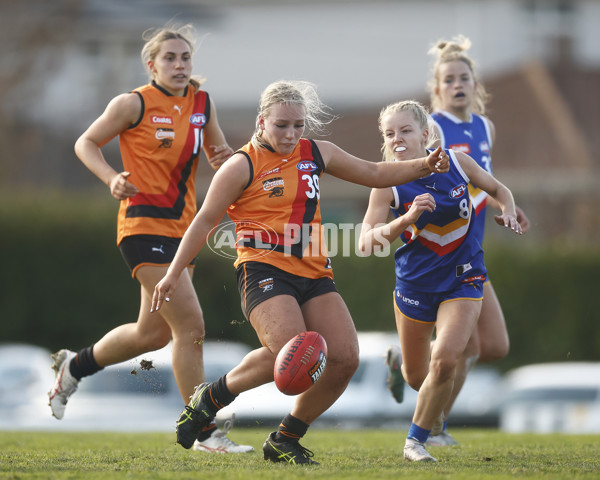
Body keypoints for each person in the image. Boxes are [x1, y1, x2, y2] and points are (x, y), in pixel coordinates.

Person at [151, 80, 449, 465]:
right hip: (263, 269)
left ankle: (285, 439)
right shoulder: (241, 165)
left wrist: (425, 164)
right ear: (262, 122)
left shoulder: (317, 153)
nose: (291, 134)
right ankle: (209, 399)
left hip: (314, 271)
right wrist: (174, 273)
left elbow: (374, 171)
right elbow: (204, 220)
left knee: (344, 358)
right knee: (291, 352)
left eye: (298, 125)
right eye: (281, 125)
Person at [48, 24, 253, 453]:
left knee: (151, 335)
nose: (179, 65)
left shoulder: (202, 103)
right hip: (142, 226)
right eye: (170, 59)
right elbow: (85, 142)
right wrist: (110, 178)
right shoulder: (132, 104)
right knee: (191, 326)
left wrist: (232, 164)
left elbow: (220, 157)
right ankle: (203, 430)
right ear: (152, 65)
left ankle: (75, 366)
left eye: (185, 58)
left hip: (183, 231)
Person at [359, 100, 523, 462]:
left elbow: (499, 190)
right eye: (390, 133)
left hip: (464, 278)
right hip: (415, 287)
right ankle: (402, 364)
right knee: (421, 379)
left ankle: (416, 441)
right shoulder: (386, 181)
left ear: (425, 134)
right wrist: (407, 219)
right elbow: (366, 241)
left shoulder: (458, 163)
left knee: (447, 361)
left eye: (405, 130)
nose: (397, 139)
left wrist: (508, 210)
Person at [425, 36, 530, 446]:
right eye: (448, 79)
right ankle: (434, 427)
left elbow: (483, 186)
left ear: (475, 84)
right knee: (464, 348)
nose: (457, 85)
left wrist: (506, 208)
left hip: (473, 251)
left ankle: (408, 366)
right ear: (437, 89)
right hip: (442, 253)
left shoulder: (486, 127)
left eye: (463, 78)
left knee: (494, 347)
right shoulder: (433, 128)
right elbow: (434, 184)